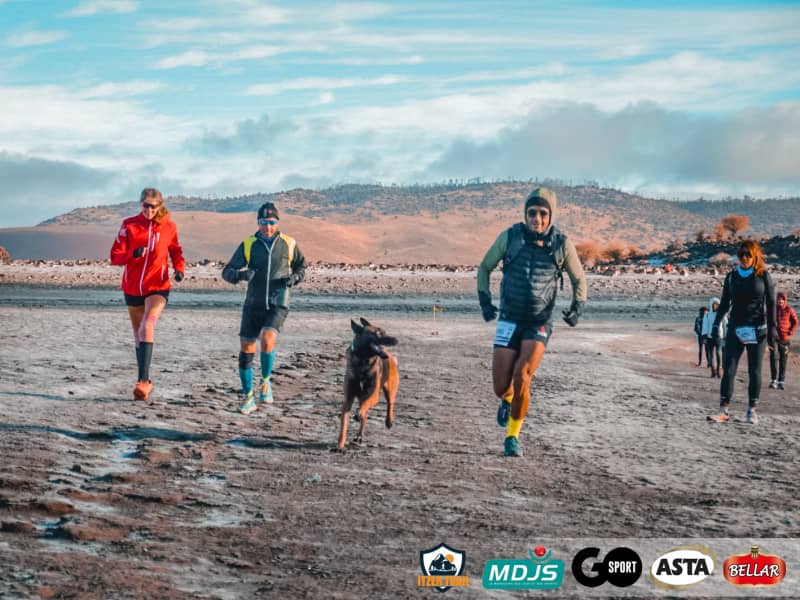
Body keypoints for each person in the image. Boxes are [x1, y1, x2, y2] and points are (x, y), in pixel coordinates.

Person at [477, 187, 587, 457]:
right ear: (525, 214)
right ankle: (507, 399)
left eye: (543, 214)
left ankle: (512, 437)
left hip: (539, 321)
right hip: (509, 318)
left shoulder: (562, 244)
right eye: (532, 213)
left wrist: (577, 307)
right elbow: (484, 267)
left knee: (523, 376)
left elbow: (579, 279)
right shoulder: (510, 237)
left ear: (551, 215)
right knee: (501, 386)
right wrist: (485, 301)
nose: (537, 218)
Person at [222, 202, 306, 415]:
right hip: (253, 304)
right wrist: (241, 275)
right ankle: (248, 397)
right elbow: (227, 271)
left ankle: (266, 381)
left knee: (268, 338)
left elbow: (301, 267)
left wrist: (294, 278)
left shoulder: (289, 243)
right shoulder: (248, 244)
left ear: (277, 223)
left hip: (278, 302)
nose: (267, 227)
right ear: (258, 223)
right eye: (263, 222)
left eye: (271, 222)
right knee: (247, 347)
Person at [110, 188, 185, 401]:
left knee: (147, 326)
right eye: (146, 205)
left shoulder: (169, 227)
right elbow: (115, 256)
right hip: (132, 288)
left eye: (153, 206)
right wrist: (132, 255)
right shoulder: (129, 225)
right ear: (140, 204)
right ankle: (144, 380)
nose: (149, 210)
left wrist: (179, 268)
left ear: (160, 206)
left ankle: (143, 382)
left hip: (158, 286)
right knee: (138, 334)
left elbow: (175, 251)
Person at [708, 240, 776, 425]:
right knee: (729, 369)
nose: (744, 258)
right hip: (735, 328)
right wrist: (716, 324)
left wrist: (772, 328)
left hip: (757, 329)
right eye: (741, 255)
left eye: (748, 255)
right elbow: (724, 303)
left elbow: (771, 303)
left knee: (755, 371)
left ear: (754, 256)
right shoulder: (732, 277)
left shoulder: (763, 276)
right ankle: (723, 410)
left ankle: (752, 411)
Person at [769, 291, 797, 390]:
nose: (780, 301)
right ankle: (773, 380)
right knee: (773, 358)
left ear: (785, 300)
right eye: (778, 299)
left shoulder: (789, 309)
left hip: (785, 339)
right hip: (774, 338)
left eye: (782, 299)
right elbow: (767, 318)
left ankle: (781, 381)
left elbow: (795, 321)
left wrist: (790, 332)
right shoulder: (773, 309)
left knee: (783, 360)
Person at [701, 297, 726, 377]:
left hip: (719, 336)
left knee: (718, 354)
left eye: (717, 304)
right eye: (714, 304)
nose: (715, 306)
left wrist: (725, 336)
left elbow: (725, 325)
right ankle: (713, 371)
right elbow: (704, 326)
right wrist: (704, 336)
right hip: (710, 337)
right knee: (711, 355)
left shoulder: (722, 314)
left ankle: (718, 370)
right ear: (711, 305)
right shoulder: (707, 315)